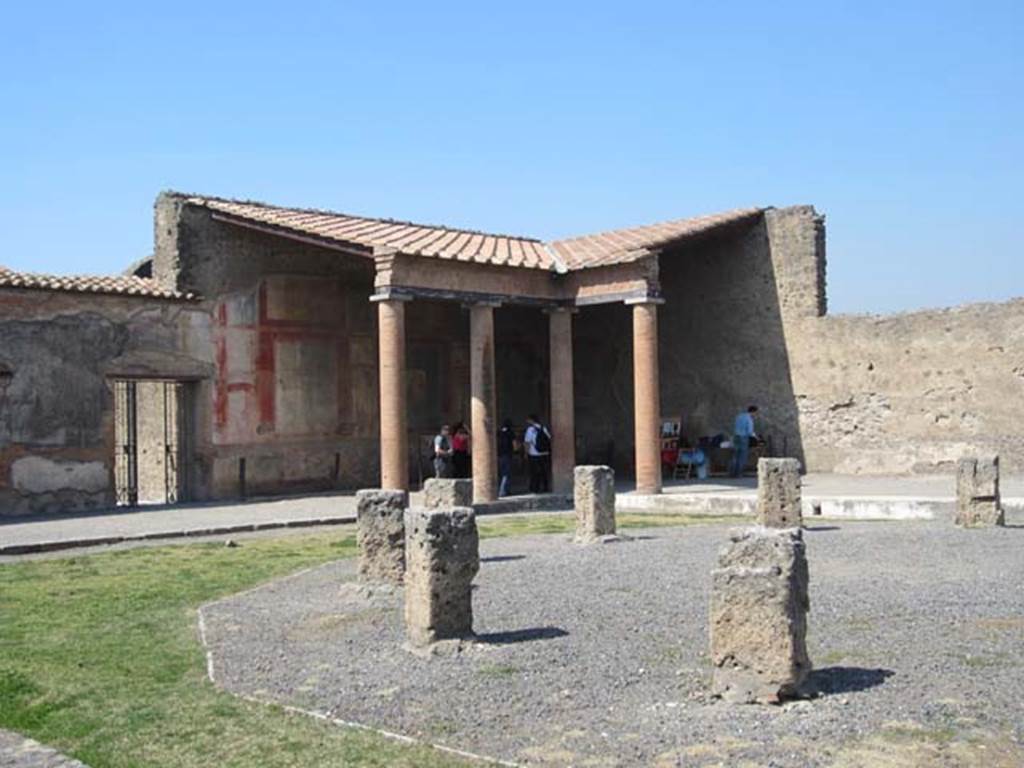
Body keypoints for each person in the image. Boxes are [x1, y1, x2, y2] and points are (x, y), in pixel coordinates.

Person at [524, 414, 551, 493]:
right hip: (544, 453)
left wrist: (526, 453)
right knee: (544, 471)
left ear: (532, 420)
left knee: (534, 472)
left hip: (534, 453)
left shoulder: (530, 429)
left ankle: (535, 488)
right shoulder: (543, 428)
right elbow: (549, 439)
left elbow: (527, 442)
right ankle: (545, 487)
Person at [730, 405, 759, 477]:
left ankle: (731, 473)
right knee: (742, 456)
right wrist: (756, 438)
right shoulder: (749, 419)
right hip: (743, 438)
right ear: (753, 412)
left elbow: (734, 426)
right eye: (756, 413)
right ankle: (738, 474)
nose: (755, 415)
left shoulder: (739, 416)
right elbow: (750, 431)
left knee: (735, 455)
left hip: (736, 437)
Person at [497, 419, 517, 497]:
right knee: (506, 473)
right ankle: (503, 491)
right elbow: (514, 444)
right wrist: (515, 451)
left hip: (499, 454)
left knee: (502, 473)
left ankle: (503, 490)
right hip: (508, 454)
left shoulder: (499, 433)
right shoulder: (511, 433)